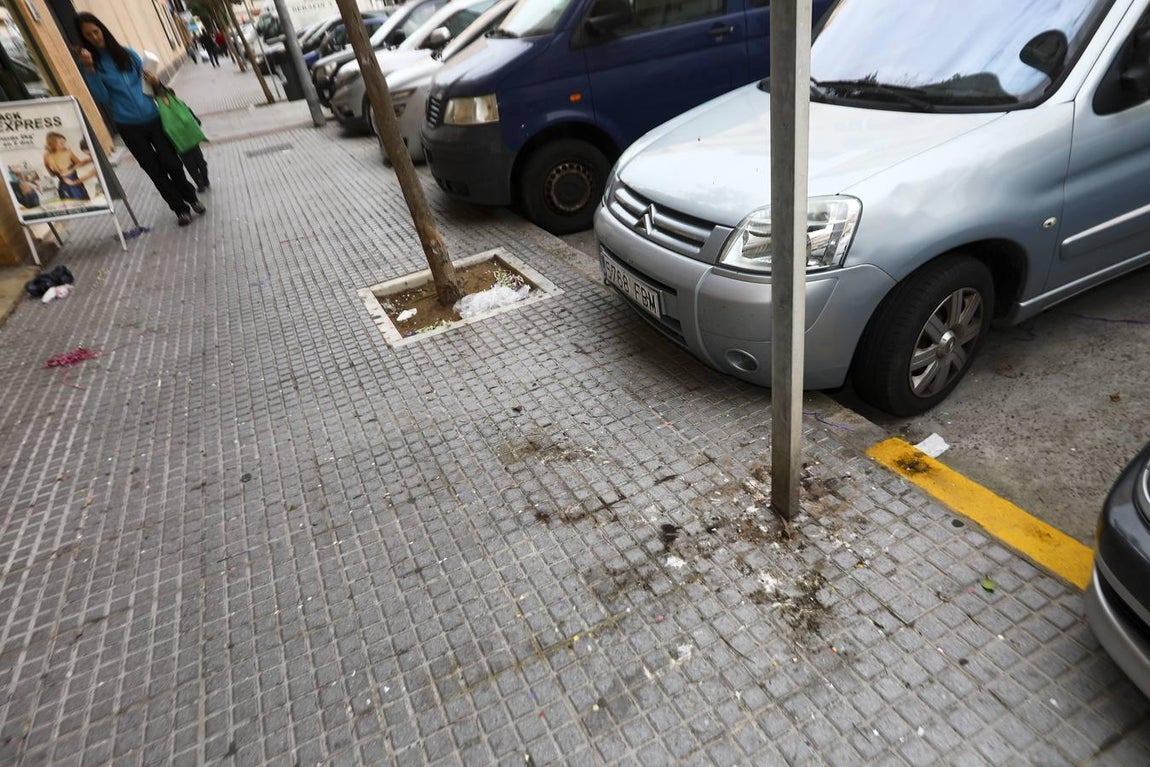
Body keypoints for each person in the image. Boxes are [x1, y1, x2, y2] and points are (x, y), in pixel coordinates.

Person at [74, 12, 205, 227]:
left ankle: (192, 198)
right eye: (88, 35)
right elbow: (102, 97)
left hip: (153, 117)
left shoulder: (127, 54)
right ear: (83, 39)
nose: (94, 37)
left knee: (172, 163)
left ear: (102, 29)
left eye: (96, 31)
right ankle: (180, 209)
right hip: (128, 126)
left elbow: (149, 80)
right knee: (154, 170)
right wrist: (89, 69)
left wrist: (153, 80)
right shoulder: (93, 66)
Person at [43, 131, 95, 200]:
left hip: (72, 182)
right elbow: (50, 171)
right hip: (64, 184)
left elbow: (80, 164)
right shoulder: (47, 156)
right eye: (61, 143)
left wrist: (70, 170)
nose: (63, 144)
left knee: (80, 200)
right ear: (53, 143)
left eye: (64, 142)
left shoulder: (66, 152)